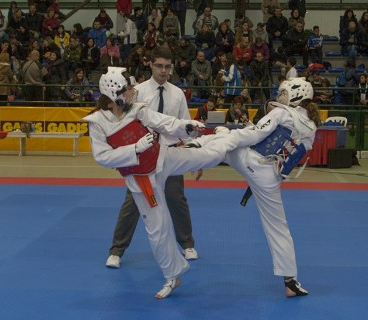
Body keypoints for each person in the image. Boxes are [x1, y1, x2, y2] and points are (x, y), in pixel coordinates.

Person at [85, 66, 239, 299]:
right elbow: (102, 157)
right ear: (114, 93)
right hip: (142, 180)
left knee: (205, 156)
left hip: (162, 158)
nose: (132, 92)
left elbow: (163, 121)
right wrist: (135, 148)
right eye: (127, 90)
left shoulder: (137, 110)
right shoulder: (97, 123)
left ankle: (232, 137)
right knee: (158, 230)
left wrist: (185, 127)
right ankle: (172, 276)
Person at [190, 77, 317, 297]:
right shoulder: (312, 127)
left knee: (225, 139)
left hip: (253, 161)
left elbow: (255, 135)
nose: (280, 97)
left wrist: (228, 133)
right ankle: (291, 281)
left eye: (284, 93)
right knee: (279, 227)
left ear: (296, 96)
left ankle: (191, 147)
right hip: (271, 178)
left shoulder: (282, 112)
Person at [106, 46, 202, 273]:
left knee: (177, 200)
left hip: (170, 153)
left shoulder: (177, 94)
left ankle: (187, 244)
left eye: (168, 67)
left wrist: (196, 158)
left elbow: (186, 126)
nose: (163, 70)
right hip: (142, 157)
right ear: (150, 64)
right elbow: (124, 125)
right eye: (159, 65)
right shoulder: (136, 92)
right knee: (132, 204)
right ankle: (116, 251)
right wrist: (122, 156)